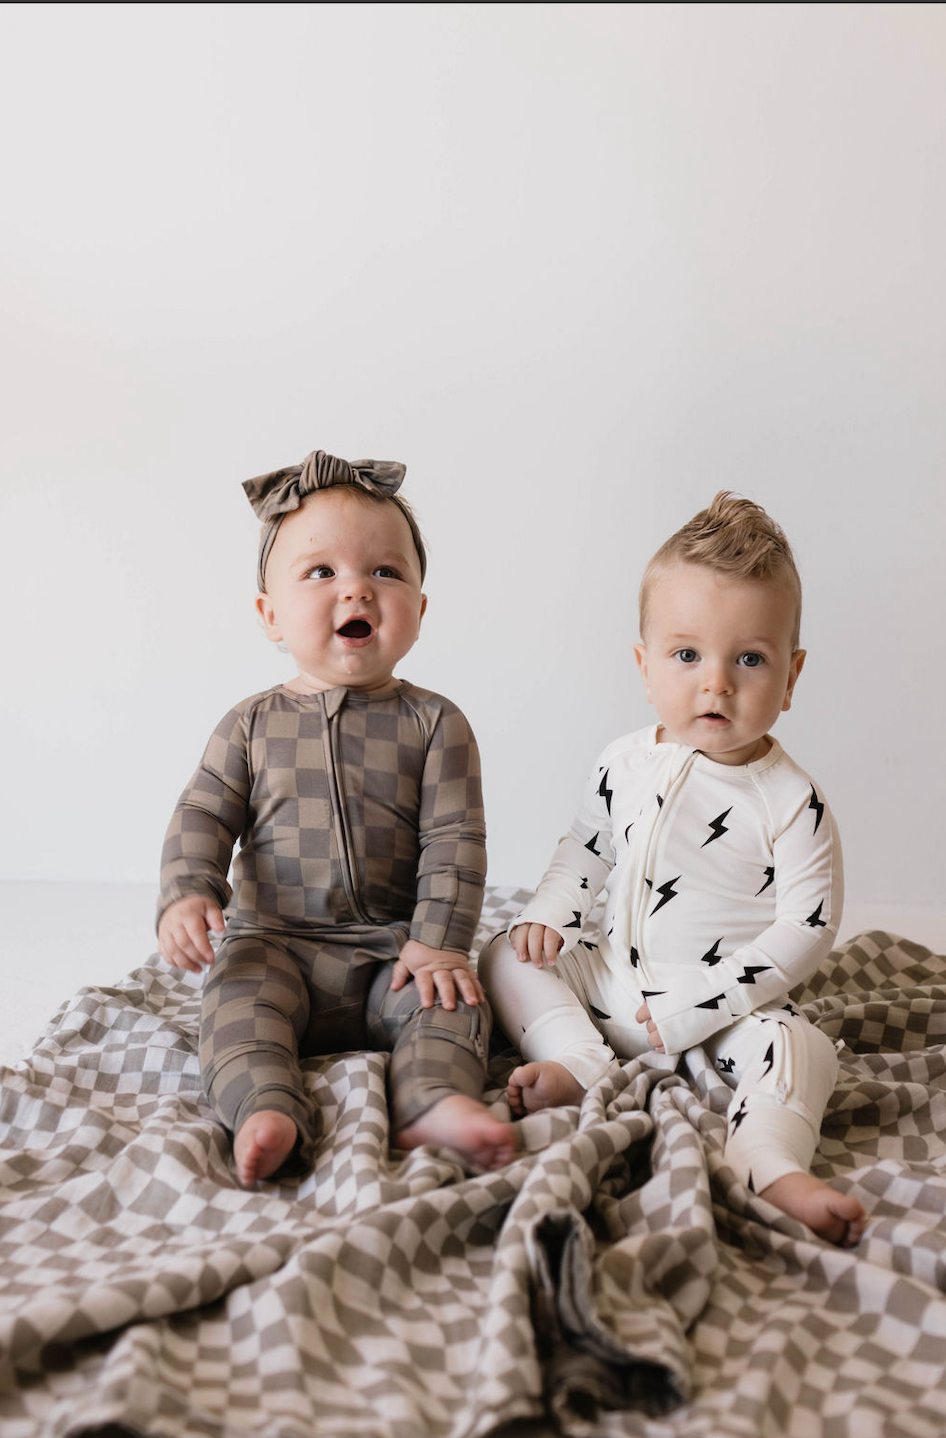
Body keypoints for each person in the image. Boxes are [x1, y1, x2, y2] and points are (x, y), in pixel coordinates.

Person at [479, 492, 865, 1246]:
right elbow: (585, 849)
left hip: (724, 1013)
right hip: (614, 981)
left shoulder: (790, 799)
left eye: (749, 658)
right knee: (503, 951)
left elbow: (809, 929)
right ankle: (577, 1059)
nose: (715, 682)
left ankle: (771, 1161)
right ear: (645, 665)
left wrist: (701, 1005)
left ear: (792, 675)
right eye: (687, 655)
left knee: (805, 1049)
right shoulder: (623, 762)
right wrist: (551, 915)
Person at [157, 447, 515, 1186]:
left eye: (386, 571)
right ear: (270, 615)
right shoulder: (249, 725)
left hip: (396, 950)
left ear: (419, 606)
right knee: (233, 1006)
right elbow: (202, 814)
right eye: (321, 573)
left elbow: (456, 840)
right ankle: (266, 1106)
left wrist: (440, 943)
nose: (356, 589)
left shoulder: (435, 723)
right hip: (275, 943)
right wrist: (188, 892)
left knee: (455, 1006)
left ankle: (434, 1100)